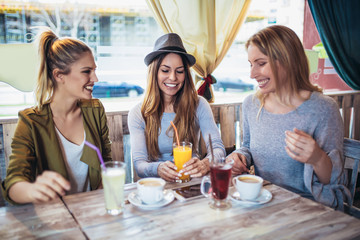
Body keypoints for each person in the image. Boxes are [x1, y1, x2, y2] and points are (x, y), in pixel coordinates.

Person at [227, 25, 349, 209]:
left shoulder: (323, 109)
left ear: (287, 61)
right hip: (261, 202)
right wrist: (239, 157)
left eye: (261, 63)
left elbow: (334, 180)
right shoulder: (251, 104)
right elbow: (247, 147)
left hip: (306, 208)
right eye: (251, 64)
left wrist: (317, 157)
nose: (252, 74)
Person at [1, 29, 112, 204]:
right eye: (86, 71)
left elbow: (105, 161)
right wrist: (32, 190)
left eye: (94, 70)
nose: (95, 78)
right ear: (59, 75)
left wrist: (102, 190)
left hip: (93, 213)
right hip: (54, 217)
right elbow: (13, 184)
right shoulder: (31, 122)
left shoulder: (95, 110)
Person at [128, 33, 225, 182]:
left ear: (185, 74)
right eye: (165, 70)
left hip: (191, 182)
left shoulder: (199, 104)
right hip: (157, 186)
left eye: (179, 71)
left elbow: (218, 148)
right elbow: (139, 165)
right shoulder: (138, 113)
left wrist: (206, 163)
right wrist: (158, 168)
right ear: (154, 73)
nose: (173, 77)